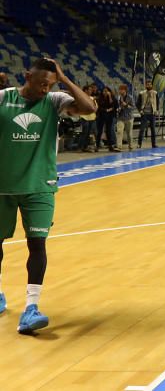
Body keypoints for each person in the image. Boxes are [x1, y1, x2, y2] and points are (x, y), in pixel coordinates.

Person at [0, 58, 95, 333]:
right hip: (3, 187)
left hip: (40, 185)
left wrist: (63, 79)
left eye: (49, 84)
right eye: (41, 83)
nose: (44, 89)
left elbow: (89, 109)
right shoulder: (4, 98)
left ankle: (31, 308)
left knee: (37, 245)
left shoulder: (54, 100)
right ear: (27, 75)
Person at [76, 84, 98, 152]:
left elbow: (96, 108)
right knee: (84, 133)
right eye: (89, 90)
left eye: (91, 90)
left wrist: (94, 102)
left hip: (92, 117)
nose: (91, 91)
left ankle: (86, 147)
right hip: (84, 117)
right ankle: (80, 147)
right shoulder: (81, 97)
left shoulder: (92, 98)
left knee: (90, 133)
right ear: (85, 90)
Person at [136, 81, 158, 148]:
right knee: (142, 129)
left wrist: (156, 110)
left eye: (150, 84)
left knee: (153, 130)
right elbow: (138, 104)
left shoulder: (155, 93)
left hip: (152, 114)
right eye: (147, 84)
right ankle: (139, 144)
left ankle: (153, 144)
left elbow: (157, 102)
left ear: (152, 85)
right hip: (144, 113)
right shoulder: (141, 93)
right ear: (145, 85)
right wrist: (140, 111)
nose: (149, 85)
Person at [116, 84, 135, 151]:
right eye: (119, 89)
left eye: (121, 89)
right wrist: (118, 109)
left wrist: (126, 105)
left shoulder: (130, 97)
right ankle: (119, 146)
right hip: (120, 117)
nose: (120, 91)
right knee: (119, 131)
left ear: (125, 90)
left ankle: (130, 146)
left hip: (129, 117)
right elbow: (117, 105)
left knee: (129, 133)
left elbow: (133, 107)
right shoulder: (118, 97)